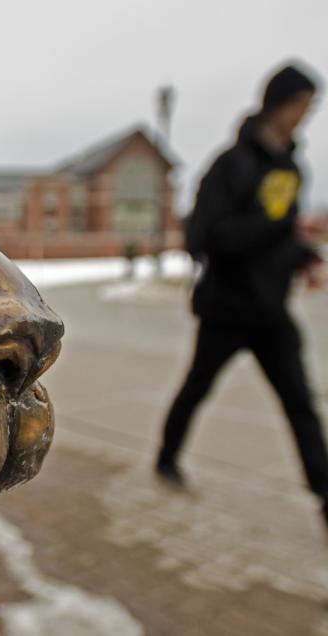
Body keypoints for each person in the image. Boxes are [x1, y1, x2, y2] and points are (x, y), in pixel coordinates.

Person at [156, 63, 328, 522]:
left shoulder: (293, 168)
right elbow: (209, 237)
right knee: (197, 388)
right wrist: (279, 227)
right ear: (278, 103)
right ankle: (166, 458)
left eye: (311, 107)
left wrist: (306, 257)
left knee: (301, 403)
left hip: (272, 312)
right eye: (300, 105)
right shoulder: (231, 165)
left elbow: (282, 238)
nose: (305, 115)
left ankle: (325, 492)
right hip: (227, 309)